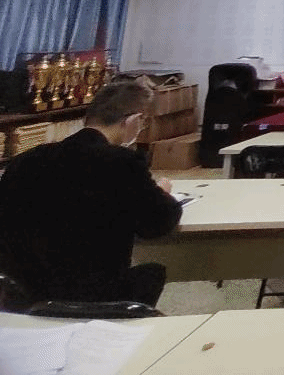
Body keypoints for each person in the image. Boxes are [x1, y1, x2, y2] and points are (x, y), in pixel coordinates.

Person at [0, 80, 182, 305]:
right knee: (150, 274)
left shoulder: (24, 162)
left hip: (25, 296)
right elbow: (157, 223)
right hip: (96, 295)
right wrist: (163, 194)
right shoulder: (123, 163)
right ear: (133, 121)